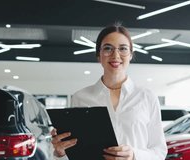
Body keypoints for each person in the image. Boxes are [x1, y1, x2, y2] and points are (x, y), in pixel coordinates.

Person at [51, 23, 167, 160]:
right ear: (98, 55)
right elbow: (75, 154)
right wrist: (60, 153)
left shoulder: (147, 97)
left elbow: (159, 152)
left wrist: (134, 155)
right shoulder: (80, 97)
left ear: (130, 55)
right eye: (108, 48)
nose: (115, 55)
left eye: (123, 49)